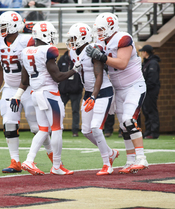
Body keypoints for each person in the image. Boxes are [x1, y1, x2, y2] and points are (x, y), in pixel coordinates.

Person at [10, 21, 79, 175]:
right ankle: (56, 166)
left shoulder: (26, 51)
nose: (53, 37)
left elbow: (25, 81)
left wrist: (18, 95)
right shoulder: (49, 50)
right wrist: (75, 70)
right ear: (45, 34)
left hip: (35, 94)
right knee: (56, 129)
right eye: (52, 34)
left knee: (43, 130)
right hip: (50, 94)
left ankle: (29, 160)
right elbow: (58, 77)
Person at [0, 11, 53, 173]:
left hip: (29, 87)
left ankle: (54, 158)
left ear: (15, 26)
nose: (1, 29)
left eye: (4, 26)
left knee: (37, 127)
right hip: (10, 88)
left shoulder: (28, 40)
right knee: (9, 124)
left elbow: (44, 51)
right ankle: (15, 161)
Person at [86, 12, 148, 174]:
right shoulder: (100, 41)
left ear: (111, 27)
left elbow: (121, 63)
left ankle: (141, 158)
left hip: (134, 86)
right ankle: (130, 160)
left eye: (101, 29)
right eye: (97, 29)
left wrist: (101, 56)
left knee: (128, 120)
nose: (98, 32)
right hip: (118, 89)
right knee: (123, 126)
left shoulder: (123, 38)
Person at [67, 22, 119, 175]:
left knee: (96, 127)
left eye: (74, 38)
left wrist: (94, 97)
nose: (72, 41)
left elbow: (99, 76)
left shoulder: (93, 50)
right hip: (89, 92)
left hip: (102, 91)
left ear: (83, 38)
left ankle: (107, 163)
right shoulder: (72, 52)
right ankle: (110, 153)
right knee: (86, 131)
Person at [57, 48, 83, 137]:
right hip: (64, 90)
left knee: (75, 111)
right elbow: (57, 72)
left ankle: (75, 131)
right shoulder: (62, 59)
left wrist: (80, 86)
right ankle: (56, 128)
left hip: (76, 90)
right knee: (59, 109)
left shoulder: (79, 58)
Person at [139, 44, 161, 139]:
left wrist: (145, 87)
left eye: (142, 52)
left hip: (151, 91)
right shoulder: (147, 62)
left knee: (151, 111)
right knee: (146, 110)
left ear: (145, 52)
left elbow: (152, 79)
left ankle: (154, 132)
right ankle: (148, 131)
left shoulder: (152, 63)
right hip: (146, 90)